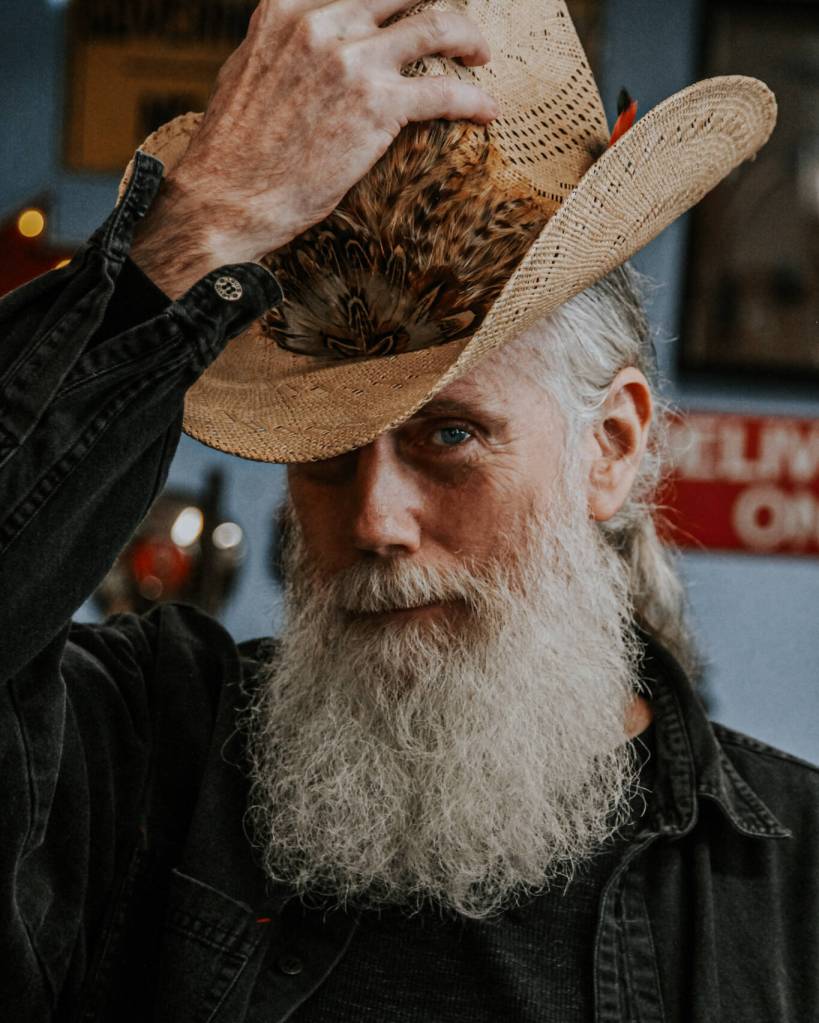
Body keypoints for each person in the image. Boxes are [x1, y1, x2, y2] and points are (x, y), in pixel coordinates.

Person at [0, 1, 816, 1020]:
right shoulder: (142, 757)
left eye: (450, 436)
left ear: (610, 448)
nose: (375, 521)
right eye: (327, 456)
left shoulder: (797, 894)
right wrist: (192, 236)